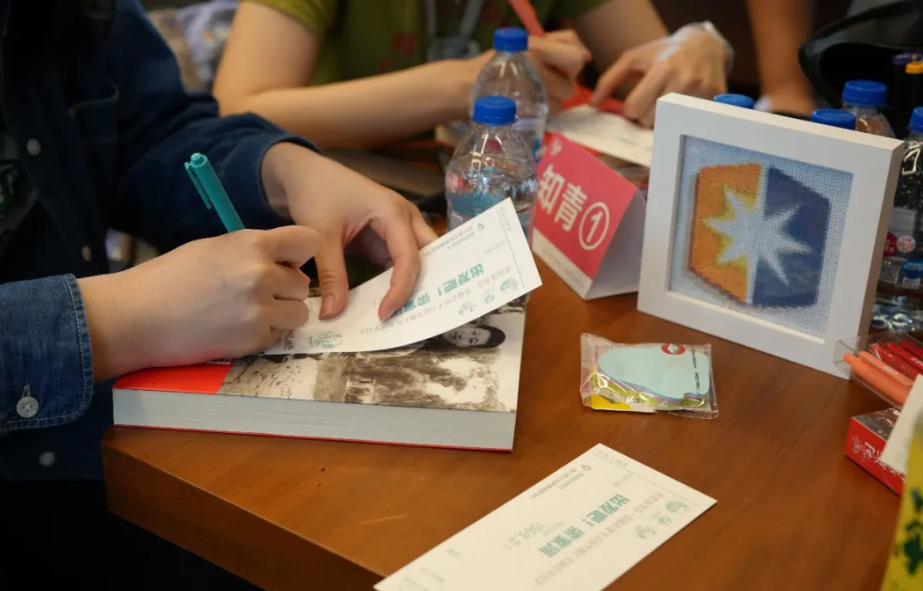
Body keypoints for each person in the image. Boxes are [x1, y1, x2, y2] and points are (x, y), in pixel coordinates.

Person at [0, 0, 434, 587]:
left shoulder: (83, 16)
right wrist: (116, 319)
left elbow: (149, 133)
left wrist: (281, 170)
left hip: (107, 445)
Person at [213, 0, 732, 141]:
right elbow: (236, 109)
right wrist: (466, 83)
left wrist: (700, 43)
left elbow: (654, 63)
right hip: (340, 220)